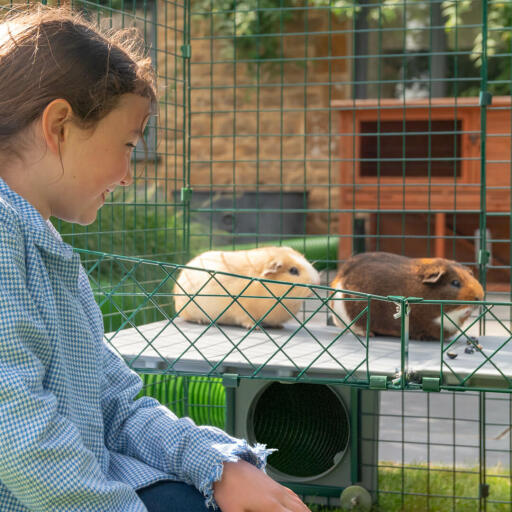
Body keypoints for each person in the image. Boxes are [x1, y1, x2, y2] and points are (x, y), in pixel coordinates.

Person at [0, 5, 311, 512]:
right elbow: (16, 433)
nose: (128, 173)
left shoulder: (46, 249)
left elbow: (116, 405)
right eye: (126, 143)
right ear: (58, 125)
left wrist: (219, 466)